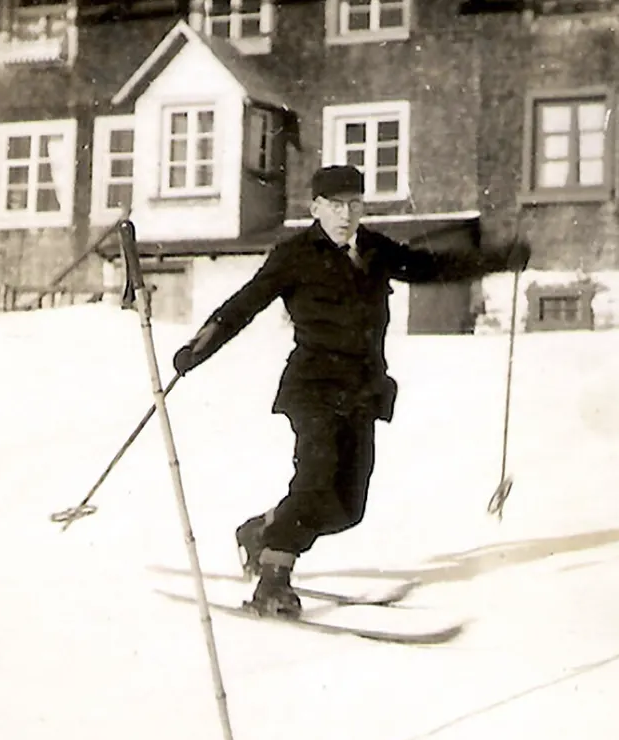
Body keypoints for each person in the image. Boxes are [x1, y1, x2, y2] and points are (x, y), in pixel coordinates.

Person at [169, 165, 529, 619]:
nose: (346, 214)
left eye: (355, 205)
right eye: (336, 205)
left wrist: (498, 259)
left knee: (346, 507)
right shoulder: (294, 255)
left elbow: (430, 267)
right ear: (315, 207)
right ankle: (274, 579)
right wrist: (196, 350)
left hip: (363, 392)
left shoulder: (376, 249)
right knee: (316, 479)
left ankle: (261, 531)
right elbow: (243, 305)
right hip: (314, 387)